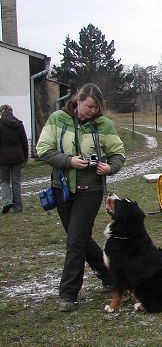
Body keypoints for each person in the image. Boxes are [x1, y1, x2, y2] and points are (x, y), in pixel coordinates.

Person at [36, 83, 126, 312]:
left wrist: (110, 168)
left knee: (75, 240)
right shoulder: (57, 119)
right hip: (62, 188)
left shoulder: (104, 125)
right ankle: (110, 277)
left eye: (96, 108)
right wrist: (68, 161)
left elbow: (118, 153)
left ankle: (68, 294)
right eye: (89, 106)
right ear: (78, 100)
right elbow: (43, 149)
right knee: (80, 238)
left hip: (91, 189)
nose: (92, 111)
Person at [0, 104, 29, 214]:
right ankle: (18, 207)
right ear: (12, 112)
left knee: (4, 180)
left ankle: (7, 202)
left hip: (3, 158)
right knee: (16, 182)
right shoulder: (19, 124)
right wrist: (25, 157)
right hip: (18, 156)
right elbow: (24, 142)